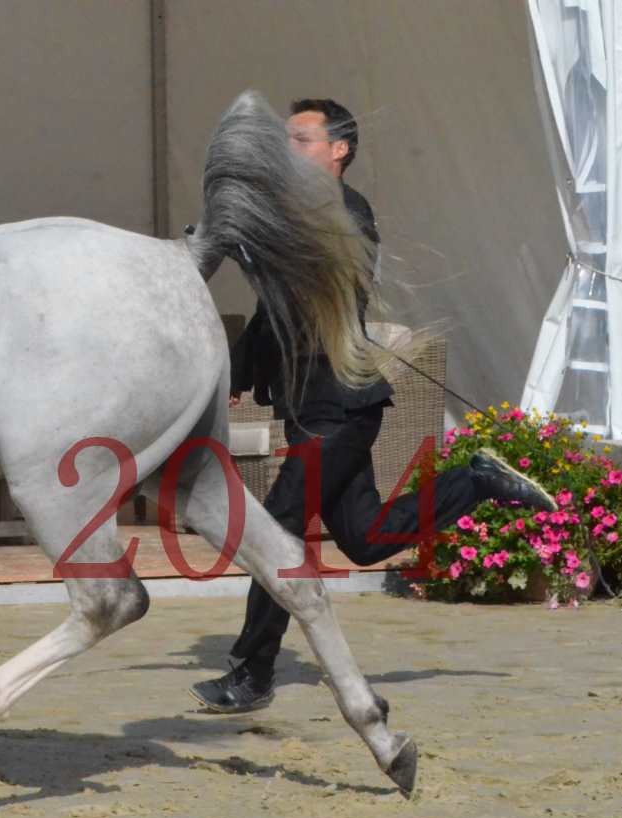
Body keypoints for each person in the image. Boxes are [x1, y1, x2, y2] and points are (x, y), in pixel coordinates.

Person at [192, 98, 556, 715]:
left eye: (301, 139)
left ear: (339, 150)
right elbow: (272, 313)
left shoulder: (346, 214)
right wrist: (237, 369)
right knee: (364, 539)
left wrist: (246, 240)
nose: (288, 150)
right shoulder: (295, 215)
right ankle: (475, 481)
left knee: (275, 530)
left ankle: (252, 673)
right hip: (317, 410)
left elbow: (317, 282)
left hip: (340, 410)